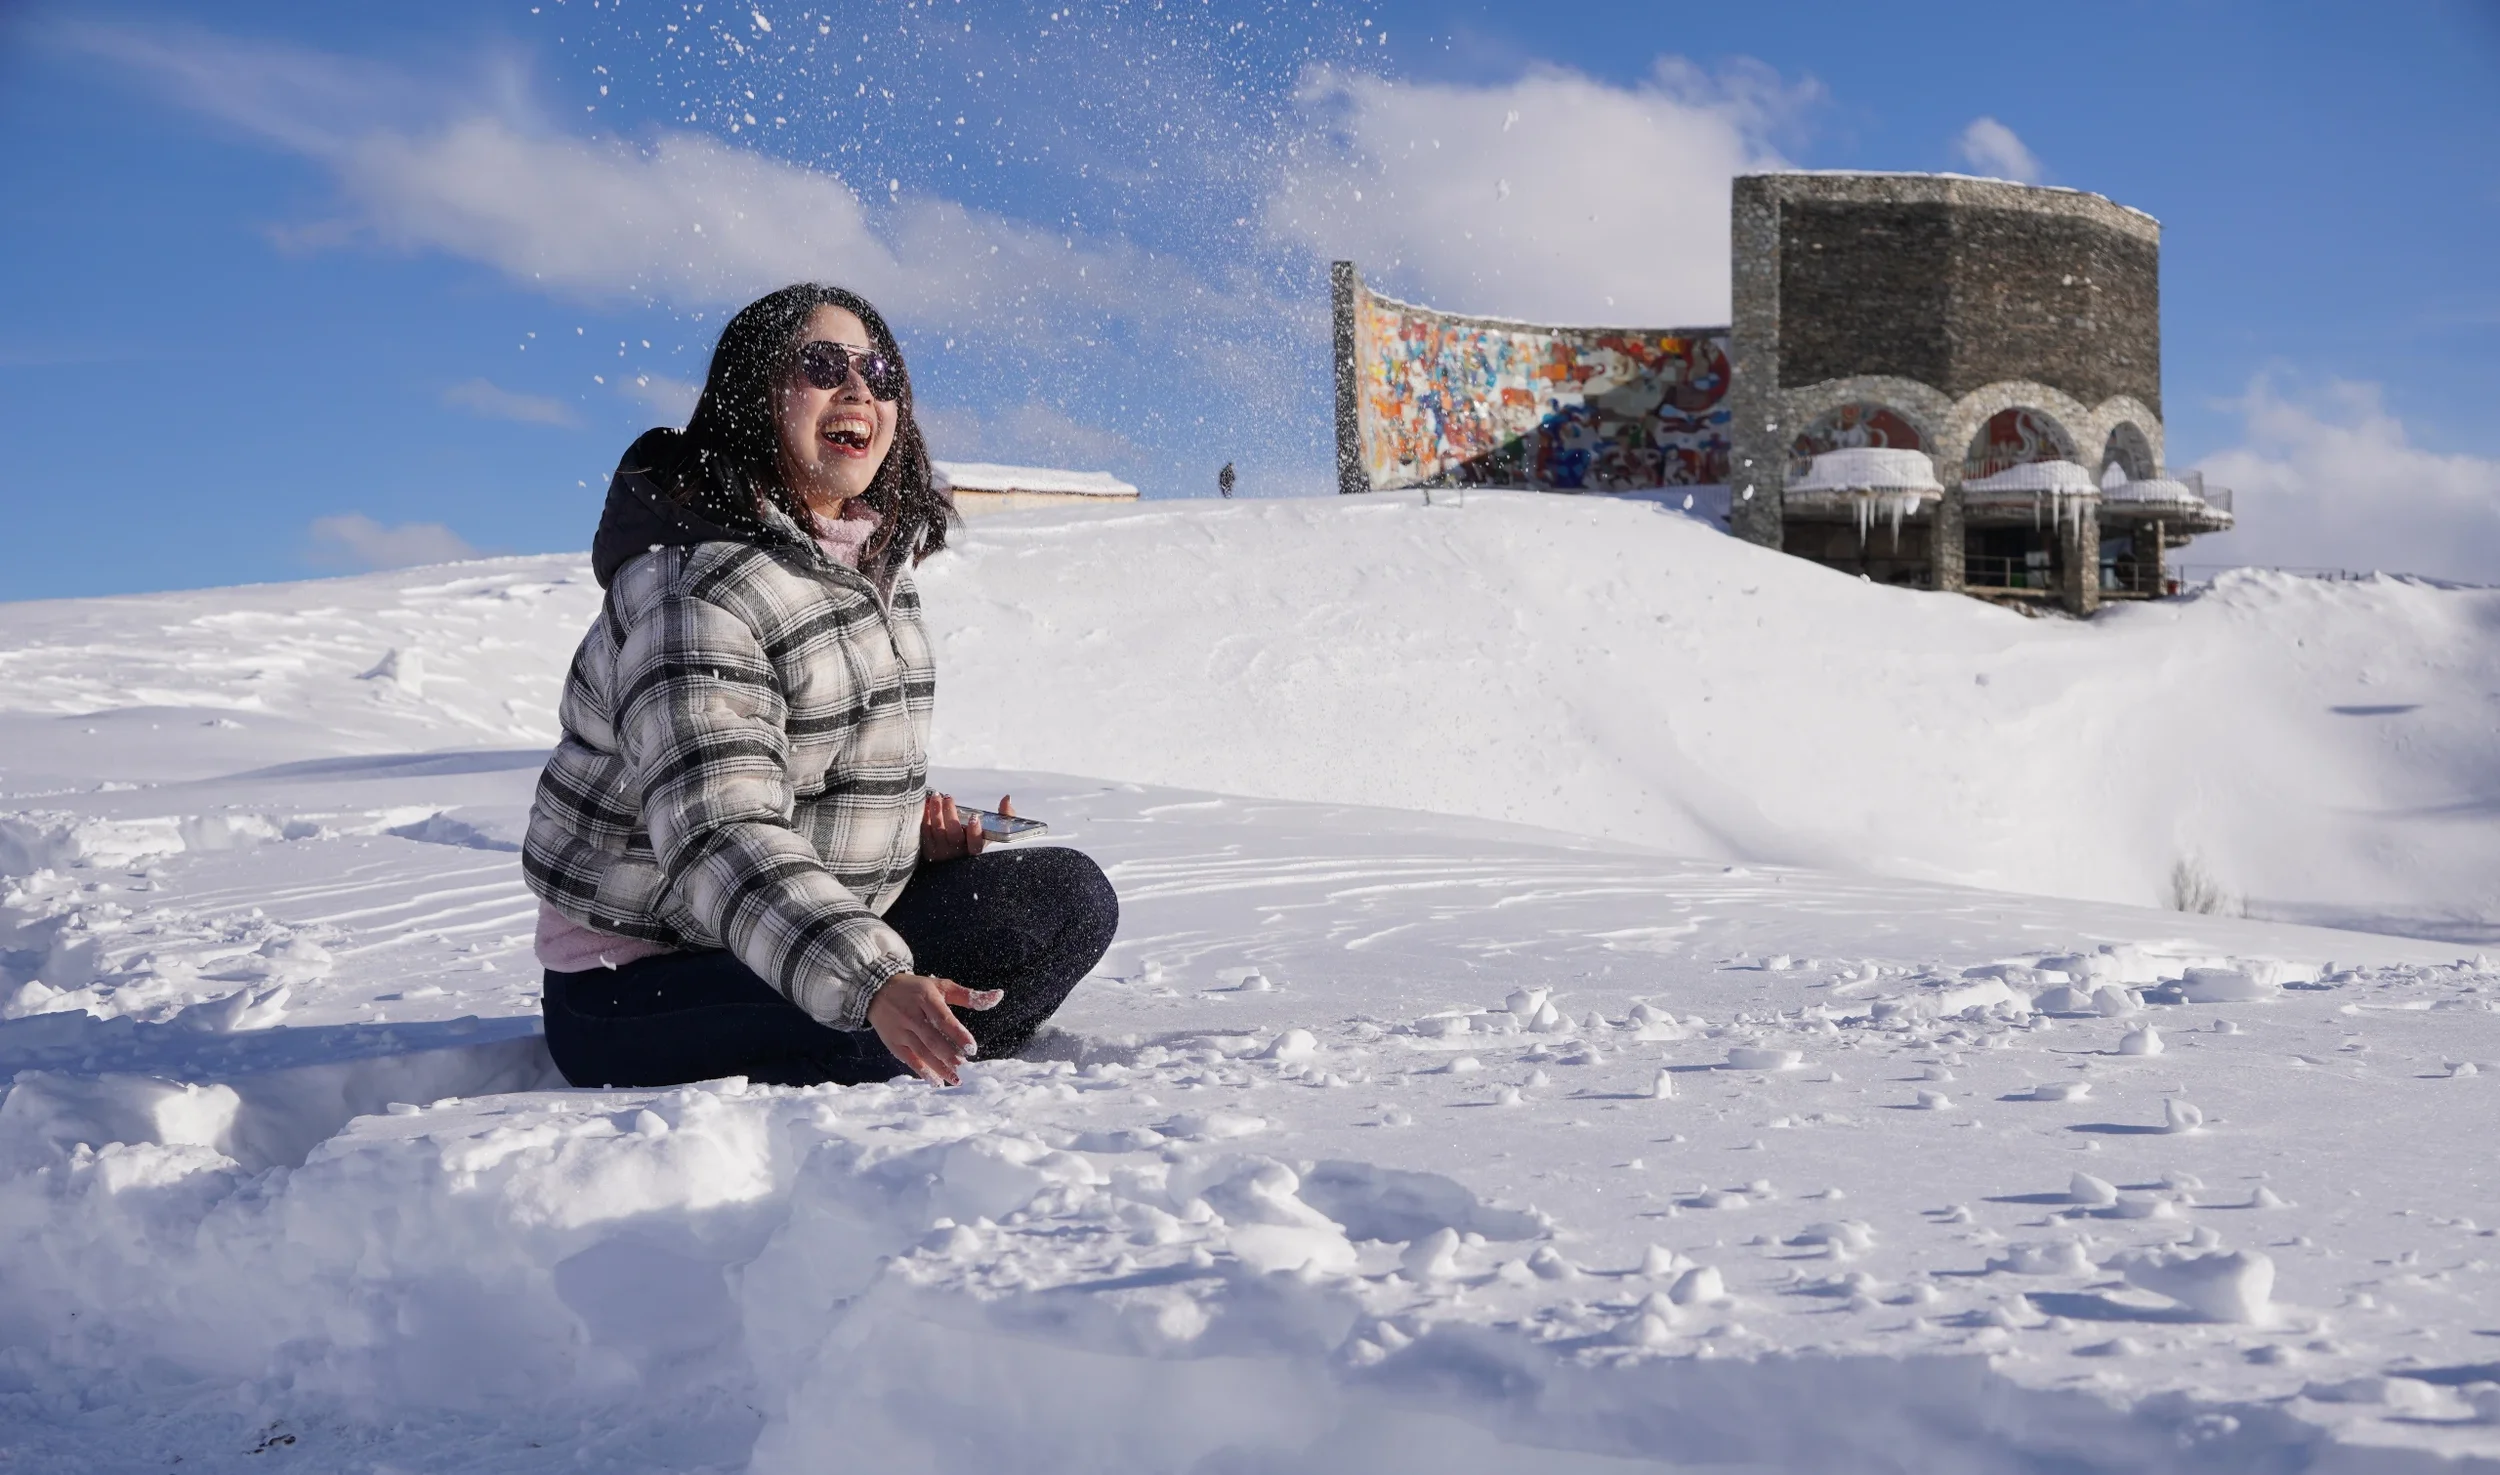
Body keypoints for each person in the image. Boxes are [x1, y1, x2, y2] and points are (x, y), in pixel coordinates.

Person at [522, 283, 1118, 1090]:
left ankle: (881, 1030)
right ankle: (877, 1039)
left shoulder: (866, 567)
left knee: (1064, 902)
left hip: (793, 934)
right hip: (642, 976)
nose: (859, 389)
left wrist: (912, 837)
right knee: (907, 1011)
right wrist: (871, 982)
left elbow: (805, 772)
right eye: (821, 364)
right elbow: (720, 831)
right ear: (751, 396)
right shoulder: (693, 592)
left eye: (877, 372)